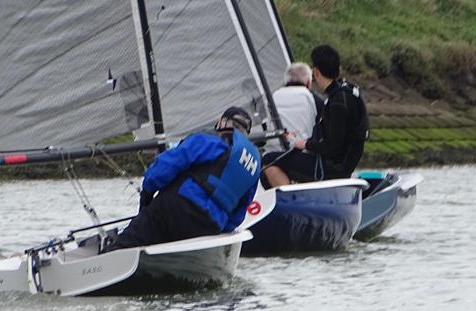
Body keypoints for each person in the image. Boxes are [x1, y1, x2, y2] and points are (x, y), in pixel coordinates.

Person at [109, 106, 261, 250]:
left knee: (125, 246)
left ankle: (111, 259)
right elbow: (238, 214)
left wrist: (147, 193)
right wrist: (219, 226)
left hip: (175, 208)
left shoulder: (209, 141)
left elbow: (164, 168)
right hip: (210, 226)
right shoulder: (253, 167)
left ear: (222, 123)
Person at [262, 45, 370, 187]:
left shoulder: (336, 102)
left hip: (333, 169)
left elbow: (332, 146)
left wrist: (305, 144)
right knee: (292, 157)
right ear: (338, 70)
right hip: (341, 164)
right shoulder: (347, 91)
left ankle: (292, 202)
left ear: (316, 72)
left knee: (268, 161)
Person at [266, 62, 324, 152]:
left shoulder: (273, 97)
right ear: (308, 82)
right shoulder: (312, 98)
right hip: (302, 154)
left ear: (286, 81)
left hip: (274, 153)